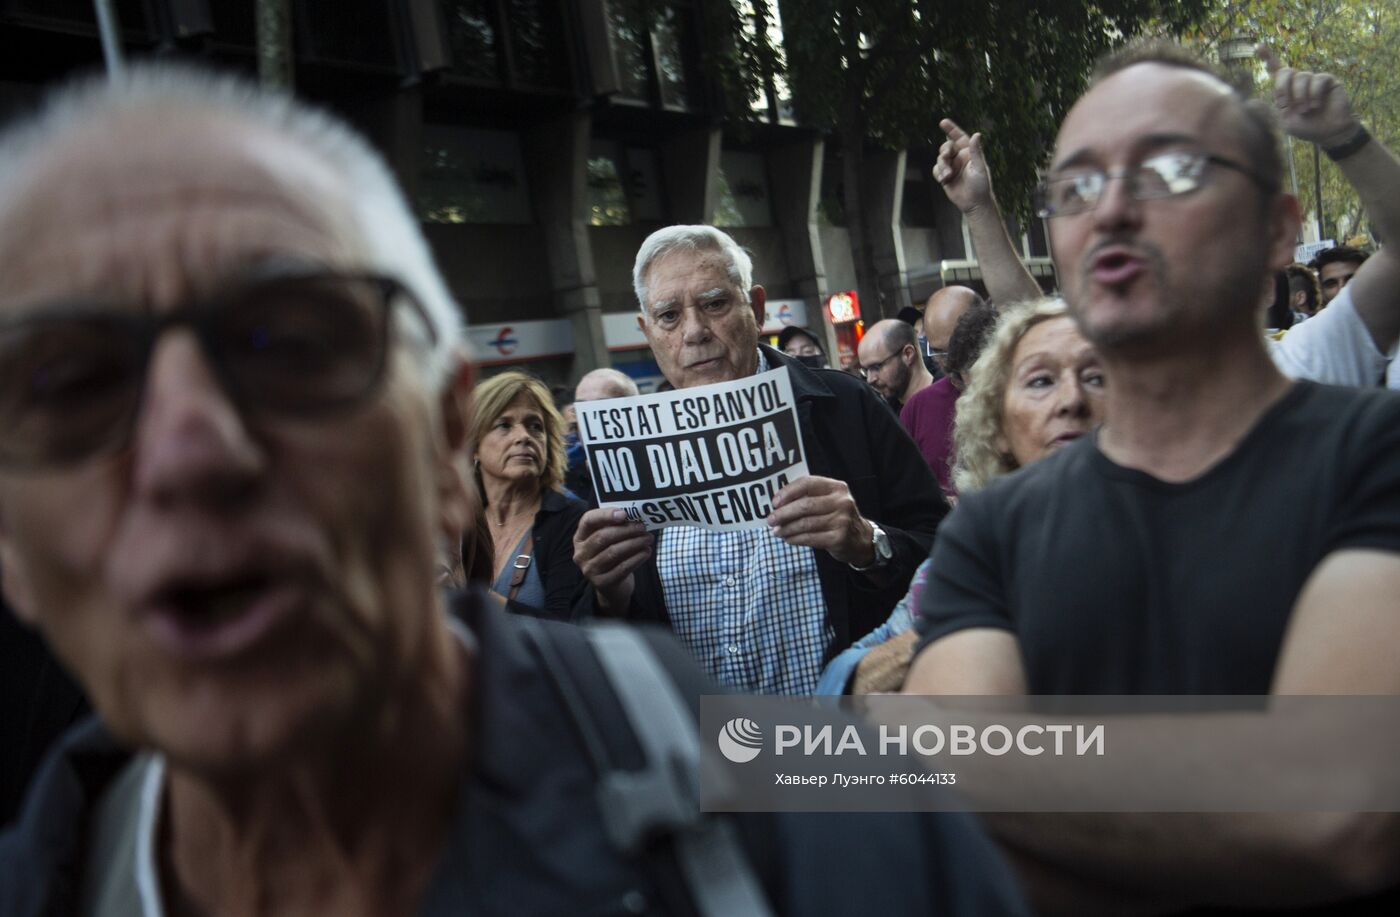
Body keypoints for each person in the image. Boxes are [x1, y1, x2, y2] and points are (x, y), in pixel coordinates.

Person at [0, 65, 1033, 917]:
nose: (189, 447)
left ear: (437, 434)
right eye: (71, 382)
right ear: (11, 542)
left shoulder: (852, 832)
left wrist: (861, 544)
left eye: (292, 346)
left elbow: (944, 565)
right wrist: (613, 584)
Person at [905, 42, 1400, 913]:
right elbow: (943, 812)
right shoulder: (992, 530)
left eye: (1171, 170)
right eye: (1077, 187)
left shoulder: (1377, 457)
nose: (1114, 210)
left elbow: (1332, 807)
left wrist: (993, 761)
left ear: (1278, 229)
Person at [572, 225, 947, 695]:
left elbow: (942, 550)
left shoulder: (846, 406)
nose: (694, 332)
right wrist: (609, 595)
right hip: (707, 754)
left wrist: (866, 543)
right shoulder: (627, 449)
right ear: (648, 332)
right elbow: (614, 644)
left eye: (714, 304)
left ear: (757, 307)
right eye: (668, 316)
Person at [818, 298, 1102, 695]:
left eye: (1096, 378)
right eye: (1041, 381)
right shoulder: (968, 563)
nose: (1072, 400)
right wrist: (950, 630)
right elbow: (835, 687)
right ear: (999, 428)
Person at [467, 371, 588, 619]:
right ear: (474, 447)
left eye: (535, 426)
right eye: (504, 425)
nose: (524, 437)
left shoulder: (572, 520)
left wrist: (472, 599)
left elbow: (568, 628)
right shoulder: (460, 522)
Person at [901, 291, 993, 492]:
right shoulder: (918, 409)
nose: (950, 362)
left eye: (957, 348)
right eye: (938, 351)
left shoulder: (1014, 393)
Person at [564, 367, 639, 507]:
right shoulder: (561, 479)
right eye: (580, 409)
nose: (588, 417)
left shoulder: (663, 468)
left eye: (600, 407)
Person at [857, 318, 931, 411]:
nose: (870, 379)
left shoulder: (947, 400)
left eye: (876, 367)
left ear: (908, 354)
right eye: (865, 370)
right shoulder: (884, 414)